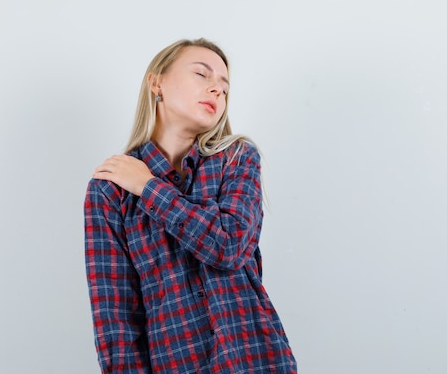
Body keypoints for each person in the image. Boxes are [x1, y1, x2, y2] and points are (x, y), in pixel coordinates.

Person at [84, 38, 297, 373]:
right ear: (157, 83)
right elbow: (116, 320)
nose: (217, 90)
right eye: (202, 74)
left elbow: (229, 245)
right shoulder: (110, 188)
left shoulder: (237, 158)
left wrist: (148, 187)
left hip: (256, 360)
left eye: (224, 89)